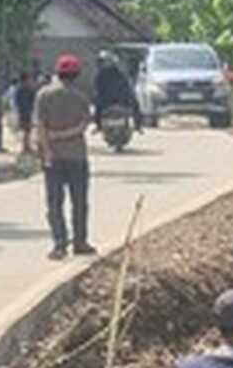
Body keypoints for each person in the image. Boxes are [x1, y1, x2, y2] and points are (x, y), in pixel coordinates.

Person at [36, 54, 96, 260]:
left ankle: (59, 244)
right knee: (79, 201)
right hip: (77, 156)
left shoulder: (43, 95)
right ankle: (80, 242)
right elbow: (83, 126)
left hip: (53, 157)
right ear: (76, 75)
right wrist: (64, 134)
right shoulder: (81, 98)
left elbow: (41, 127)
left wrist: (47, 151)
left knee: (54, 203)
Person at [93, 49, 142, 132]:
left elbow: (126, 85)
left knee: (136, 104)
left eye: (105, 61)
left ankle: (137, 125)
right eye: (102, 62)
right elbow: (97, 88)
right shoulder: (100, 75)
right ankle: (99, 126)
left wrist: (128, 93)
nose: (103, 64)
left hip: (120, 99)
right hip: (107, 100)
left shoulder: (119, 73)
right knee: (97, 105)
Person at [13, 71, 38, 154]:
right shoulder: (27, 89)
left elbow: (16, 101)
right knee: (27, 130)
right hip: (26, 112)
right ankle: (26, 147)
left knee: (26, 130)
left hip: (23, 111)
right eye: (28, 79)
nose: (30, 80)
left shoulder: (18, 89)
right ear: (26, 79)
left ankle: (26, 146)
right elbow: (33, 99)